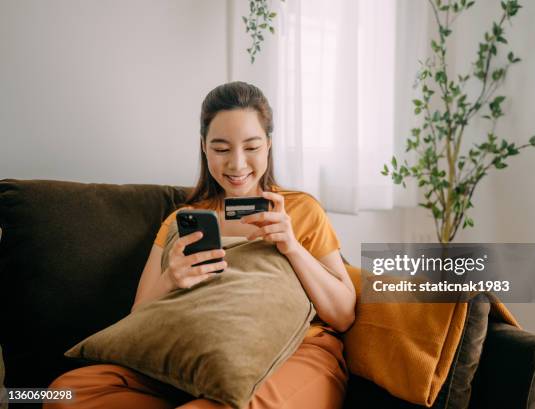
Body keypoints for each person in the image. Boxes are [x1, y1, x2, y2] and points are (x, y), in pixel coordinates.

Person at [44, 81, 356, 409]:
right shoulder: (182, 220)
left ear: (268, 146)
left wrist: (292, 247)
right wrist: (171, 279)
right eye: (221, 149)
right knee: (66, 393)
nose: (237, 165)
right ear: (204, 147)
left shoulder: (299, 209)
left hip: (292, 354)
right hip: (192, 355)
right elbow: (138, 315)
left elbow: (344, 315)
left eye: (251, 147)